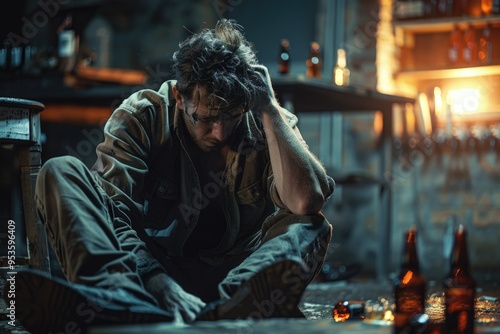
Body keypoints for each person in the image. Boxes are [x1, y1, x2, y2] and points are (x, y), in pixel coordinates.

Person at [6, 19, 334, 333]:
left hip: (237, 276)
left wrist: (269, 108)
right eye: (204, 118)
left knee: (310, 224)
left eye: (231, 116)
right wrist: (155, 280)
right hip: (150, 272)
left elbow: (307, 200)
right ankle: (122, 302)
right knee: (59, 171)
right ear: (179, 97)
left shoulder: (261, 115)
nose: (219, 132)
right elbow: (115, 213)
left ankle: (229, 309)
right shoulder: (143, 115)